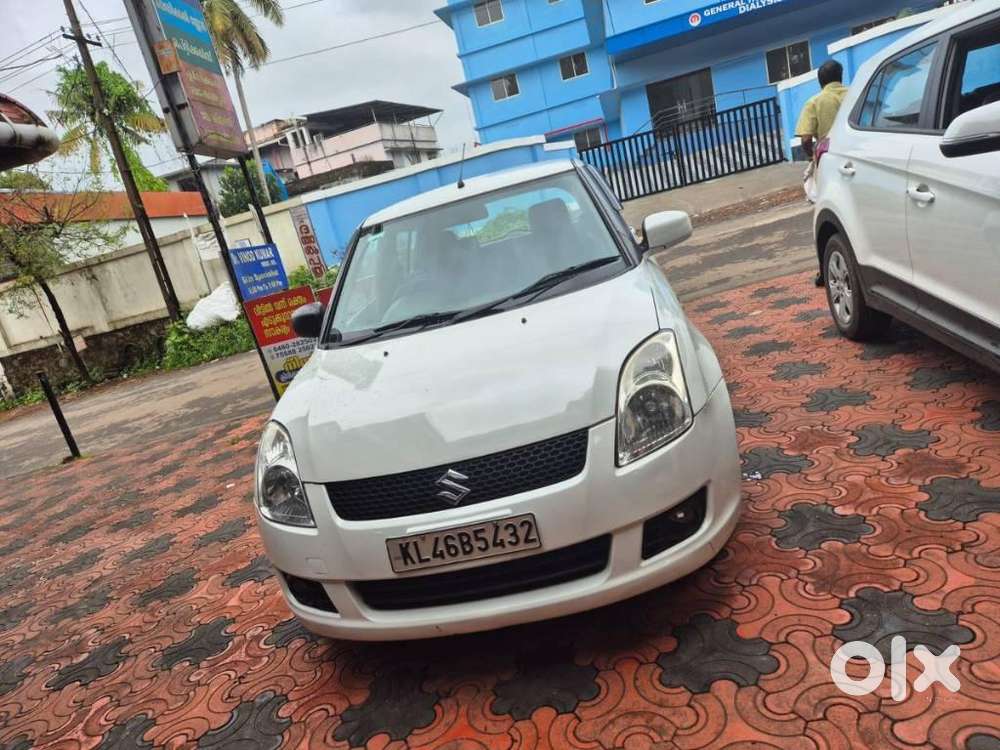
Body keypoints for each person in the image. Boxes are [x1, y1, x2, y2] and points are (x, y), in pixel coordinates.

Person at [797, 60, 849, 286]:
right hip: (859, 157)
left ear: (820, 81)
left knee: (826, 216)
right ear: (841, 75)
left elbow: (806, 139)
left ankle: (826, 269)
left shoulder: (815, 102)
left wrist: (812, 156)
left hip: (829, 162)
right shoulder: (856, 94)